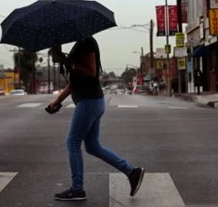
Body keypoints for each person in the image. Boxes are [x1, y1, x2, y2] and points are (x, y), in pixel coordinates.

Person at [47, 36, 145, 201]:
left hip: (89, 101)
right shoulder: (80, 43)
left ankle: (77, 188)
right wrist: (56, 101)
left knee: (72, 142)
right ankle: (132, 172)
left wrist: (68, 62)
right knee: (92, 146)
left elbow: (92, 72)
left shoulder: (86, 41)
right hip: (91, 101)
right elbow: (74, 83)